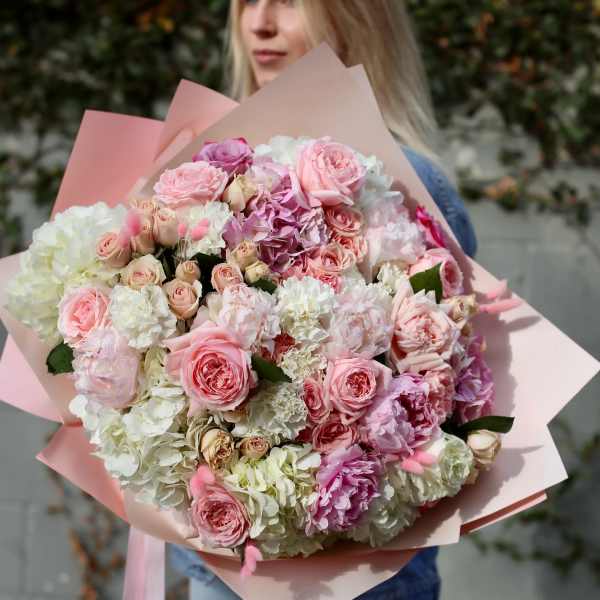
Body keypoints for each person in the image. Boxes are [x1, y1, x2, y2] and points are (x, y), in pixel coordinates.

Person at [171, 1, 477, 598]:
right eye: (247, 1)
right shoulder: (210, 167)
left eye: (289, 1)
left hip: (368, 578)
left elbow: (453, 386)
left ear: (355, 15)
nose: (259, 23)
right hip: (220, 572)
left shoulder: (410, 180)